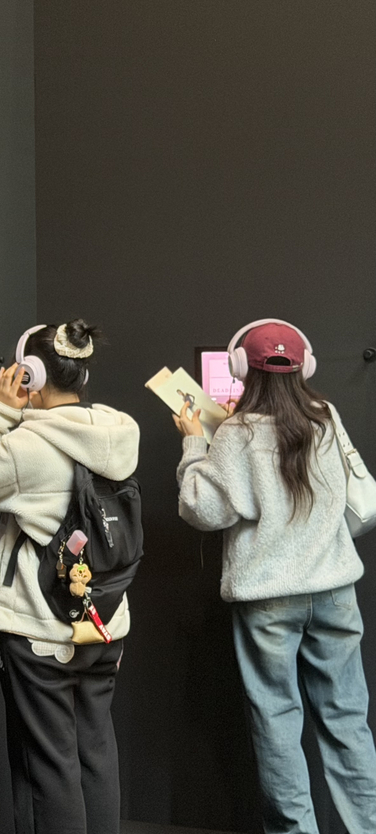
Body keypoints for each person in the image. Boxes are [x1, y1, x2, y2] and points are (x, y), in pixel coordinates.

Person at [174, 319, 376, 834]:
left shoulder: (236, 433)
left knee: (278, 725)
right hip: (334, 592)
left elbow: (203, 509)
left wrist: (195, 445)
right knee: (348, 722)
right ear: (304, 364)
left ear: (241, 368)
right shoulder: (326, 417)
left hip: (268, 602)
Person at [0, 321, 139, 834]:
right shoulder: (119, 432)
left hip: (42, 631)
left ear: (28, 374)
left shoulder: (30, 446)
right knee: (96, 754)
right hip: (104, 623)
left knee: (48, 768)